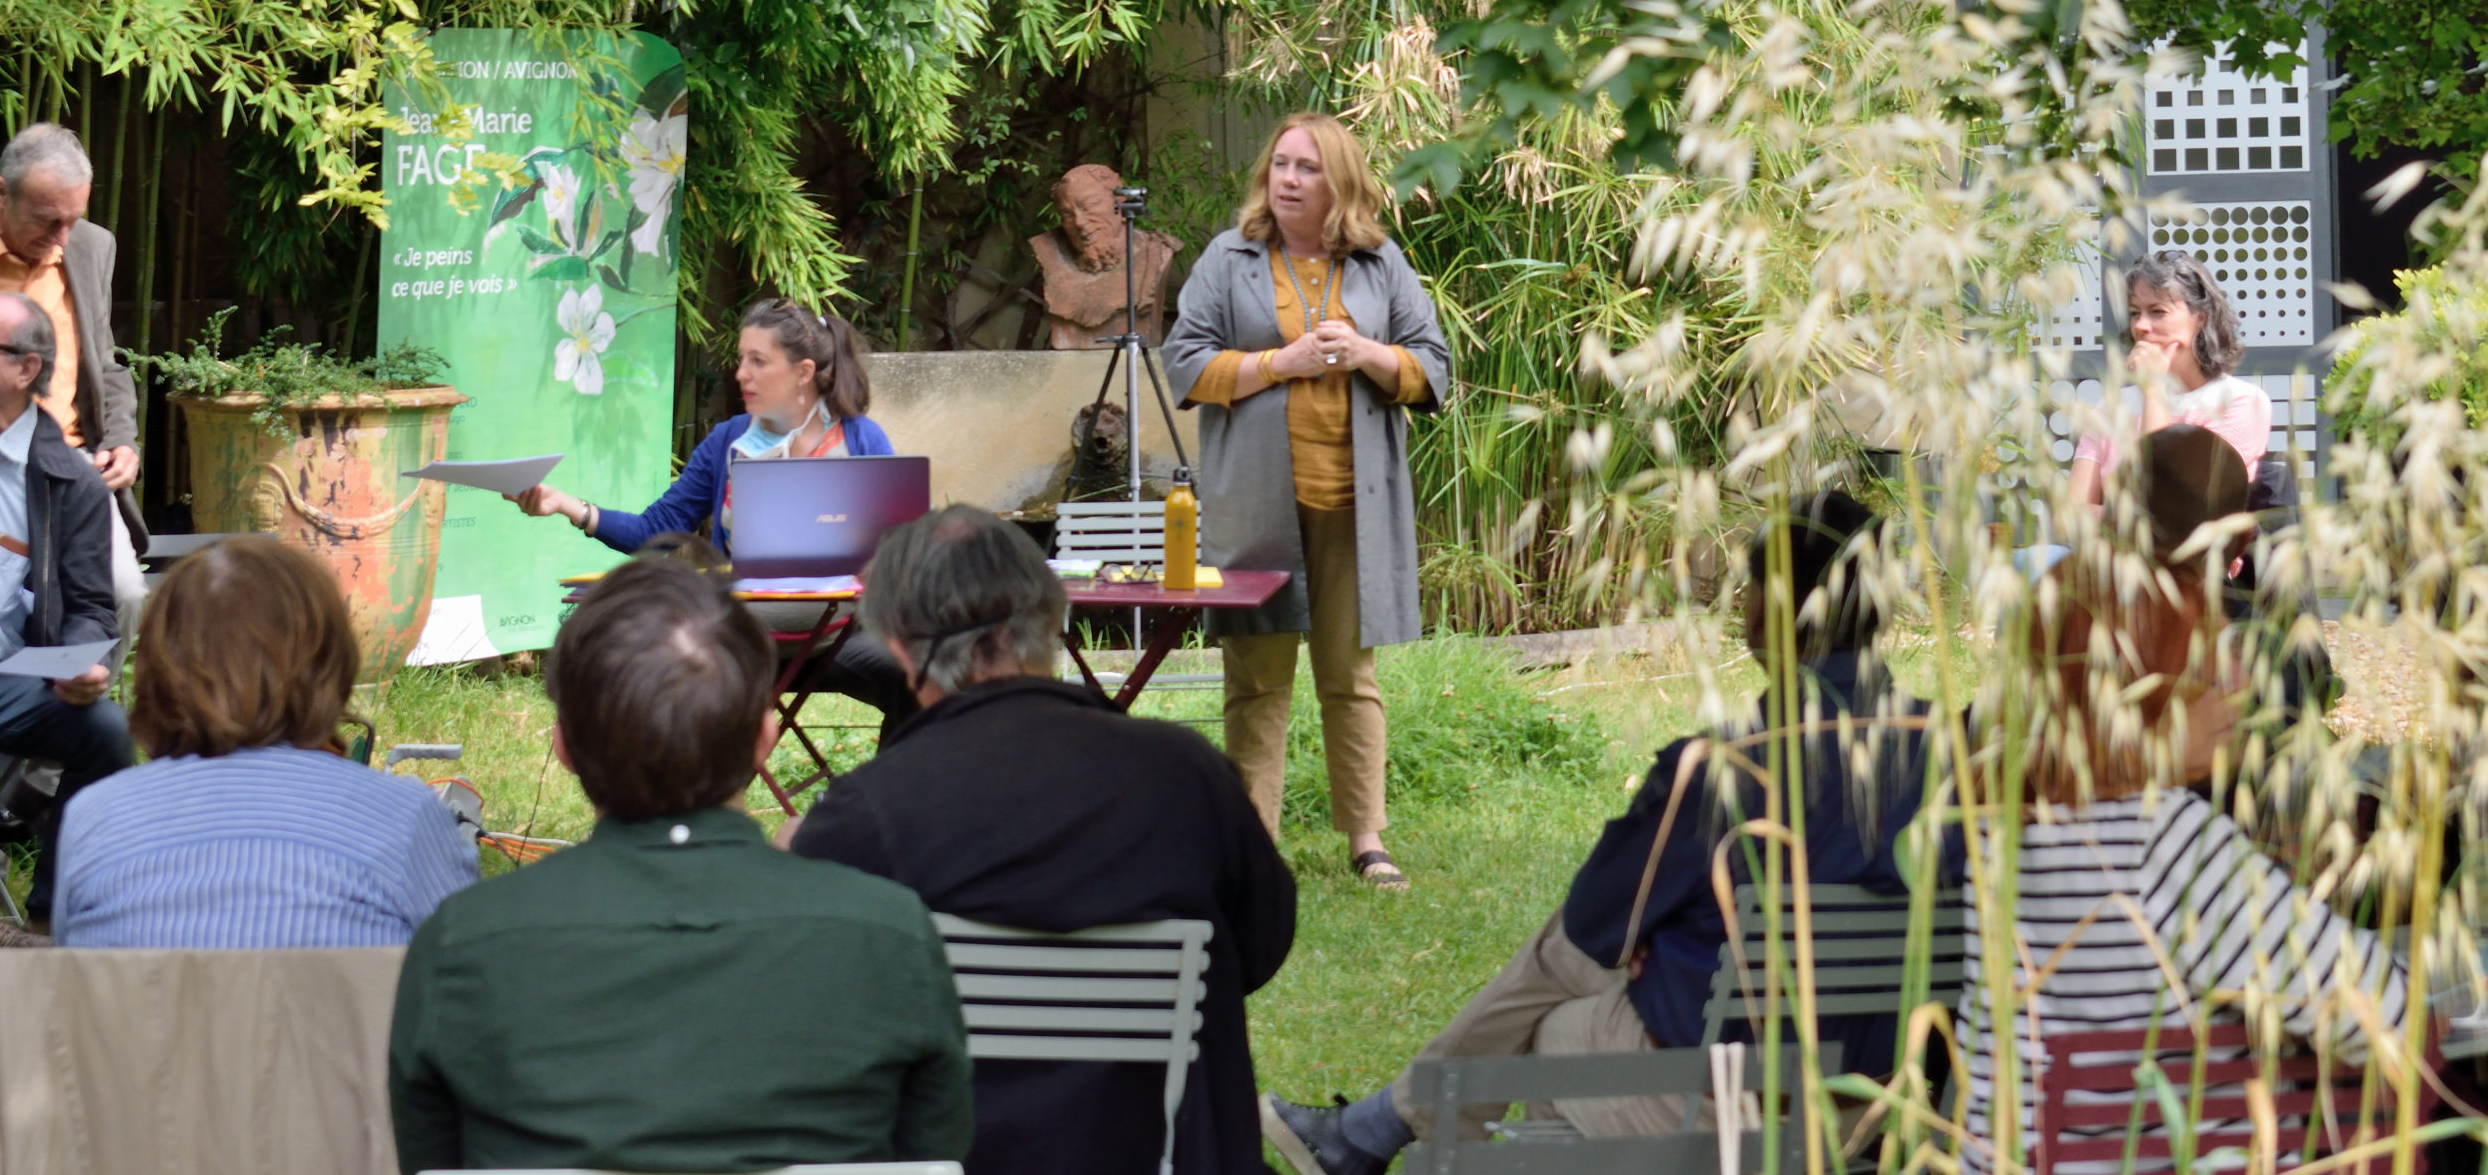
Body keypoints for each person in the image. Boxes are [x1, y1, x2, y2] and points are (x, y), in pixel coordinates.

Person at [1261, 492, 1951, 1175]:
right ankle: (1373, 1130)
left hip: (1722, 1101)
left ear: (1772, 606)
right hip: (1877, 1107)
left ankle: (1383, 1132)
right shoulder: (1954, 756)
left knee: (1553, 1020)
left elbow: (1594, 924)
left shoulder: (1719, 768)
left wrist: (1654, 942)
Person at [387, 550, 973, 1174]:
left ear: (563, 747)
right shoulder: (890, 933)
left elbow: (430, 1155)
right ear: (764, 739)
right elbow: (933, 1150)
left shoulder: (462, 943)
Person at [789, 506, 1296, 1175]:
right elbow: (1259, 946)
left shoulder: (864, 816)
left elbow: (810, 1012)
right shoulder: (1185, 773)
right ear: (1053, 621)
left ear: (901, 648)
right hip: (1167, 1149)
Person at [1961, 430, 2401, 1174]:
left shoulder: (2003, 835)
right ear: (2160, 690)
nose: (2236, 674)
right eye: (2212, 648)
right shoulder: (2166, 843)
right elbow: (2382, 1006)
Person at [1164, 111, 1451, 890]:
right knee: (1255, 675)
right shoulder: (1228, 260)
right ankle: (1253, 842)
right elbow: (1184, 364)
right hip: (1257, 503)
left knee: (1349, 673)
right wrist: (1277, 362)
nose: (1287, 179)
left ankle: (1368, 839)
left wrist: (1370, 353)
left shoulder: (1380, 262)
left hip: (1355, 504)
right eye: (1280, 164)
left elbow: (1435, 367)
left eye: (1306, 167)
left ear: (1341, 183)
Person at [53, 537, 478, 947]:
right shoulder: (405, 819)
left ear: (157, 667)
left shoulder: (92, 817)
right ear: (330, 660)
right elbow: (467, 976)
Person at [508, 296, 915, 722]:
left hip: (838, 638)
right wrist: (567, 505)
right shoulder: (727, 441)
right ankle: (692, 784)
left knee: (917, 674)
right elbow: (657, 531)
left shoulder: (863, 440)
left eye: (758, 361)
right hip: (737, 642)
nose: (741, 374)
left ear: (803, 373)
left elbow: (901, 552)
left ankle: (886, 789)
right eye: (741, 359)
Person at [0, 291, 133, 939]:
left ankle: (45, 922)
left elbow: (93, 605)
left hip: (4, 678)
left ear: (24, 369)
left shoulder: (69, 480)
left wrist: (84, 661)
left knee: (105, 729)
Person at [0, 124, 145, 619]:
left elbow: (104, 365)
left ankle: (82, 694)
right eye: (48, 221)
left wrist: (122, 440)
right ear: (0, 193)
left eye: (74, 219)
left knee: (125, 596)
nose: (61, 239)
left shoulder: (91, 247)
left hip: (72, 467)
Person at [2068, 251, 2271, 507]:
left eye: (2158, 311)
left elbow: (2166, 506)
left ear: (2200, 318)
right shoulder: (2111, 407)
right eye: (2134, 313)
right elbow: (2072, 517)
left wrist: (2154, 389)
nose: (2141, 326)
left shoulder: (2240, 402)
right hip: (2109, 548)